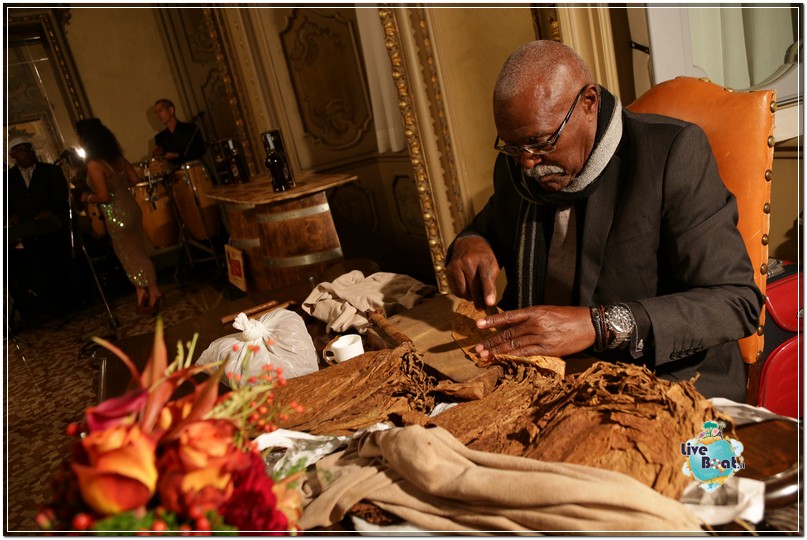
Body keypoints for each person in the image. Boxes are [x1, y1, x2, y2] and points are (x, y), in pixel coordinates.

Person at [445, 40, 762, 402]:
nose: (528, 163)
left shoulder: (670, 155)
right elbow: (488, 227)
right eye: (514, 147)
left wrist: (597, 325)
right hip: (542, 375)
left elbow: (735, 302)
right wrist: (471, 243)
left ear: (589, 103)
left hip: (658, 379)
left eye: (542, 142)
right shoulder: (519, 165)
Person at [75, 118, 163, 314]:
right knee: (136, 253)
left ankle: (154, 291)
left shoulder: (94, 164)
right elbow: (135, 179)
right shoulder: (116, 157)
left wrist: (86, 196)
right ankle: (142, 291)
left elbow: (104, 197)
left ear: (85, 139)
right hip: (132, 210)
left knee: (131, 256)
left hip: (117, 216)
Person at [7, 138, 74, 322]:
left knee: (60, 264)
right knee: (39, 269)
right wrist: (11, 214)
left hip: (53, 229)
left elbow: (62, 195)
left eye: (29, 149)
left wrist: (50, 211)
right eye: (21, 151)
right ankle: (49, 309)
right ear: (13, 155)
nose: (27, 153)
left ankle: (70, 304)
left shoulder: (50, 170)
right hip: (29, 232)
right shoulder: (7, 178)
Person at [151, 98, 206, 166]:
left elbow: (200, 150)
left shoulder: (190, 128)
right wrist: (156, 155)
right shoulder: (160, 137)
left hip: (195, 170)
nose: (158, 115)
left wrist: (177, 155)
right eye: (156, 112)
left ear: (171, 110)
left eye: (160, 110)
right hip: (175, 174)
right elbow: (160, 162)